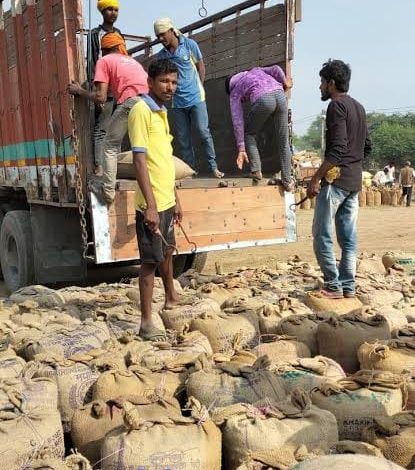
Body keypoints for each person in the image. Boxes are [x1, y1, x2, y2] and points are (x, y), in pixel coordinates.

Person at [128, 59, 184, 340]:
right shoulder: (141, 110)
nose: (169, 87)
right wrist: (150, 206)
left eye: (173, 82)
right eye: (164, 81)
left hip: (165, 200)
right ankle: (146, 322)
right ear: (150, 82)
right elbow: (140, 161)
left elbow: (164, 160)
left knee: (167, 250)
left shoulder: (161, 112)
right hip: (150, 204)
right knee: (150, 262)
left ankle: (171, 296)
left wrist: (175, 198)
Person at [307, 59, 372, 299]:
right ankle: (348, 286)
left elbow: (337, 150)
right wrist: (352, 164)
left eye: (322, 82)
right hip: (353, 183)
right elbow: (367, 146)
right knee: (348, 238)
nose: (320, 86)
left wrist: (315, 179)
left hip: (336, 183)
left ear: (331, 83)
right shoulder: (359, 107)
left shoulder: (336, 106)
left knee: (321, 234)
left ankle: (333, 285)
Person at [68, 32, 148, 204]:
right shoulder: (133, 62)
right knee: (145, 147)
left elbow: (101, 97)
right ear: (120, 46)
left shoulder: (104, 61)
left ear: (103, 50)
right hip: (150, 103)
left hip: (131, 102)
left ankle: (108, 192)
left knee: (109, 145)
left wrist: (80, 91)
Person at [154, 18, 224, 178]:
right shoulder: (161, 56)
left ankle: (213, 167)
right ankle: (190, 172)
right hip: (177, 103)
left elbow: (201, 66)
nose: (161, 39)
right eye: (158, 36)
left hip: (196, 98)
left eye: (163, 34)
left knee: (203, 132)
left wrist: (200, 85)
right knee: (183, 139)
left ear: (171, 31)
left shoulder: (189, 45)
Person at [225, 66, 294, 190]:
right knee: (283, 141)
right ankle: (287, 181)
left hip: (264, 99)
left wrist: (241, 147)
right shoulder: (256, 70)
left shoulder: (234, 91)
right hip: (280, 95)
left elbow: (237, 120)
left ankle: (256, 171)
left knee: (249, 134)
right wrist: (285, 82)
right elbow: (276, 69)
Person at [88, 0, 122, 176]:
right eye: (109, 9)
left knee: (118, 128)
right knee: (101, 129)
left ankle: (116, 165)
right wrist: (96, 90)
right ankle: (99, 166)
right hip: (104, 86)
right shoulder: (95, 34)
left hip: (119, 87)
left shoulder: (118, 33)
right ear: (102, 11)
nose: (113, 13)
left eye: (116, 10)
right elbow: (92, 61)